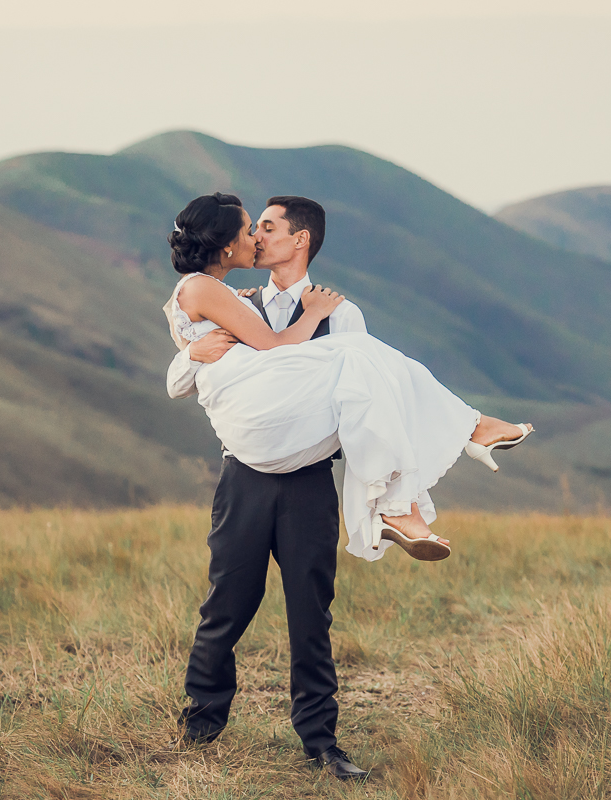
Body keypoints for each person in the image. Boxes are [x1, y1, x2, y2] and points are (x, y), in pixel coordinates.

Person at [167, 193, 531, 779]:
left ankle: (321, 743)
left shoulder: (343, 315)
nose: (256, 237)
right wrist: (189, 352)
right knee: (227, 605)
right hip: (246, 477)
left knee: (312, 612)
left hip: (308, 481)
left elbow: (366, 417)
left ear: (299, 239)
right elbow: (183, 370)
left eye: (267, 227)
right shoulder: (240, 300)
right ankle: (201, 726)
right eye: (250, 228)